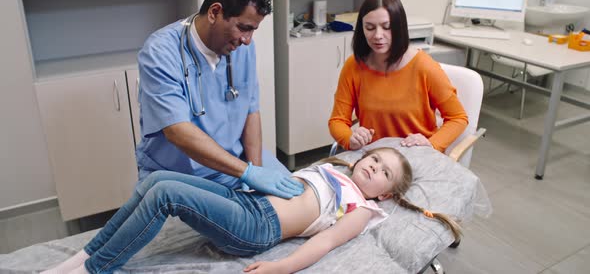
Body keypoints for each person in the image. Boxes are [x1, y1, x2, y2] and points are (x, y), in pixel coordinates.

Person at [41, 147, 460, 274]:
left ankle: (93, 270)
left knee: (167, 193)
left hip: (257, 227)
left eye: (384, 172)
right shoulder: (335, 170)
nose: (373, 165)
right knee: (153, 182)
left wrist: (281, 268)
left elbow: (327, 242)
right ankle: (89, 254)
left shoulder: (361, 207)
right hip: (247, 201)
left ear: (385, 194)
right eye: (374, 158)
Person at [134, 0, 303, 199]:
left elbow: (250, 112)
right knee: (199, 234)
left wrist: (256, 174)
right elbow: (177, 131)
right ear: (215, 12)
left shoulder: (243, 48)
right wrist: (247, 172)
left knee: (298, 200)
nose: (247, 40)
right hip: (177, 175)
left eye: (253, 30)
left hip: (233, 165)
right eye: (244, 28)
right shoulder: (160, 52)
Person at [329, 0, 468, 152]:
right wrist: (350, 139)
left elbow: (458, 117)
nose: (378, 35)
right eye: (370, 28)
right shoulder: (354, 66)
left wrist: (432, 144)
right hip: (374, 159)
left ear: (399, 27)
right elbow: (337, 120)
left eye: (387, 27)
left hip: (417, 156)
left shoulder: (425, 67)